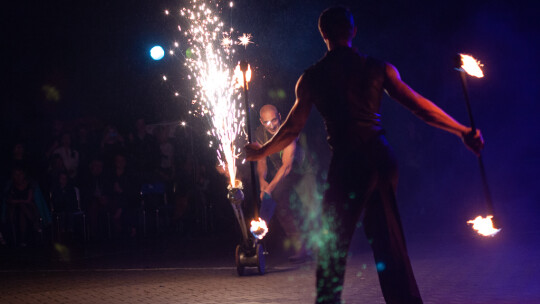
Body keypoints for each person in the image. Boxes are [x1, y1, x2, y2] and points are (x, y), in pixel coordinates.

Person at [245, 6, 484, 304]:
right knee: (390, 247)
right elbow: (419, 106)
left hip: (349, 163)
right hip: (381, 159)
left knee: (332, 247)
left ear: (323, 35)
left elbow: (292, 128)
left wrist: (262, 151)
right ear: (353, 31)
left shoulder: (312, 78)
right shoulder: (377, 68)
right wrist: (462, 130)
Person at [255, 104, 308, 262]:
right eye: (266, 122)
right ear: (261, 121)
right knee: (280, 202)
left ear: (279, 116)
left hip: (303, 170)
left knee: (312, 205)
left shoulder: (289, 130)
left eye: (274, 120)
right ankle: (301, 247)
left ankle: (323, 246)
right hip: (280, 170)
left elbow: (287, 167)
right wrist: (262, 181)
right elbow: (262, 161)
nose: (271, 125)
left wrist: (269, 189)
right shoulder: (259, 133)